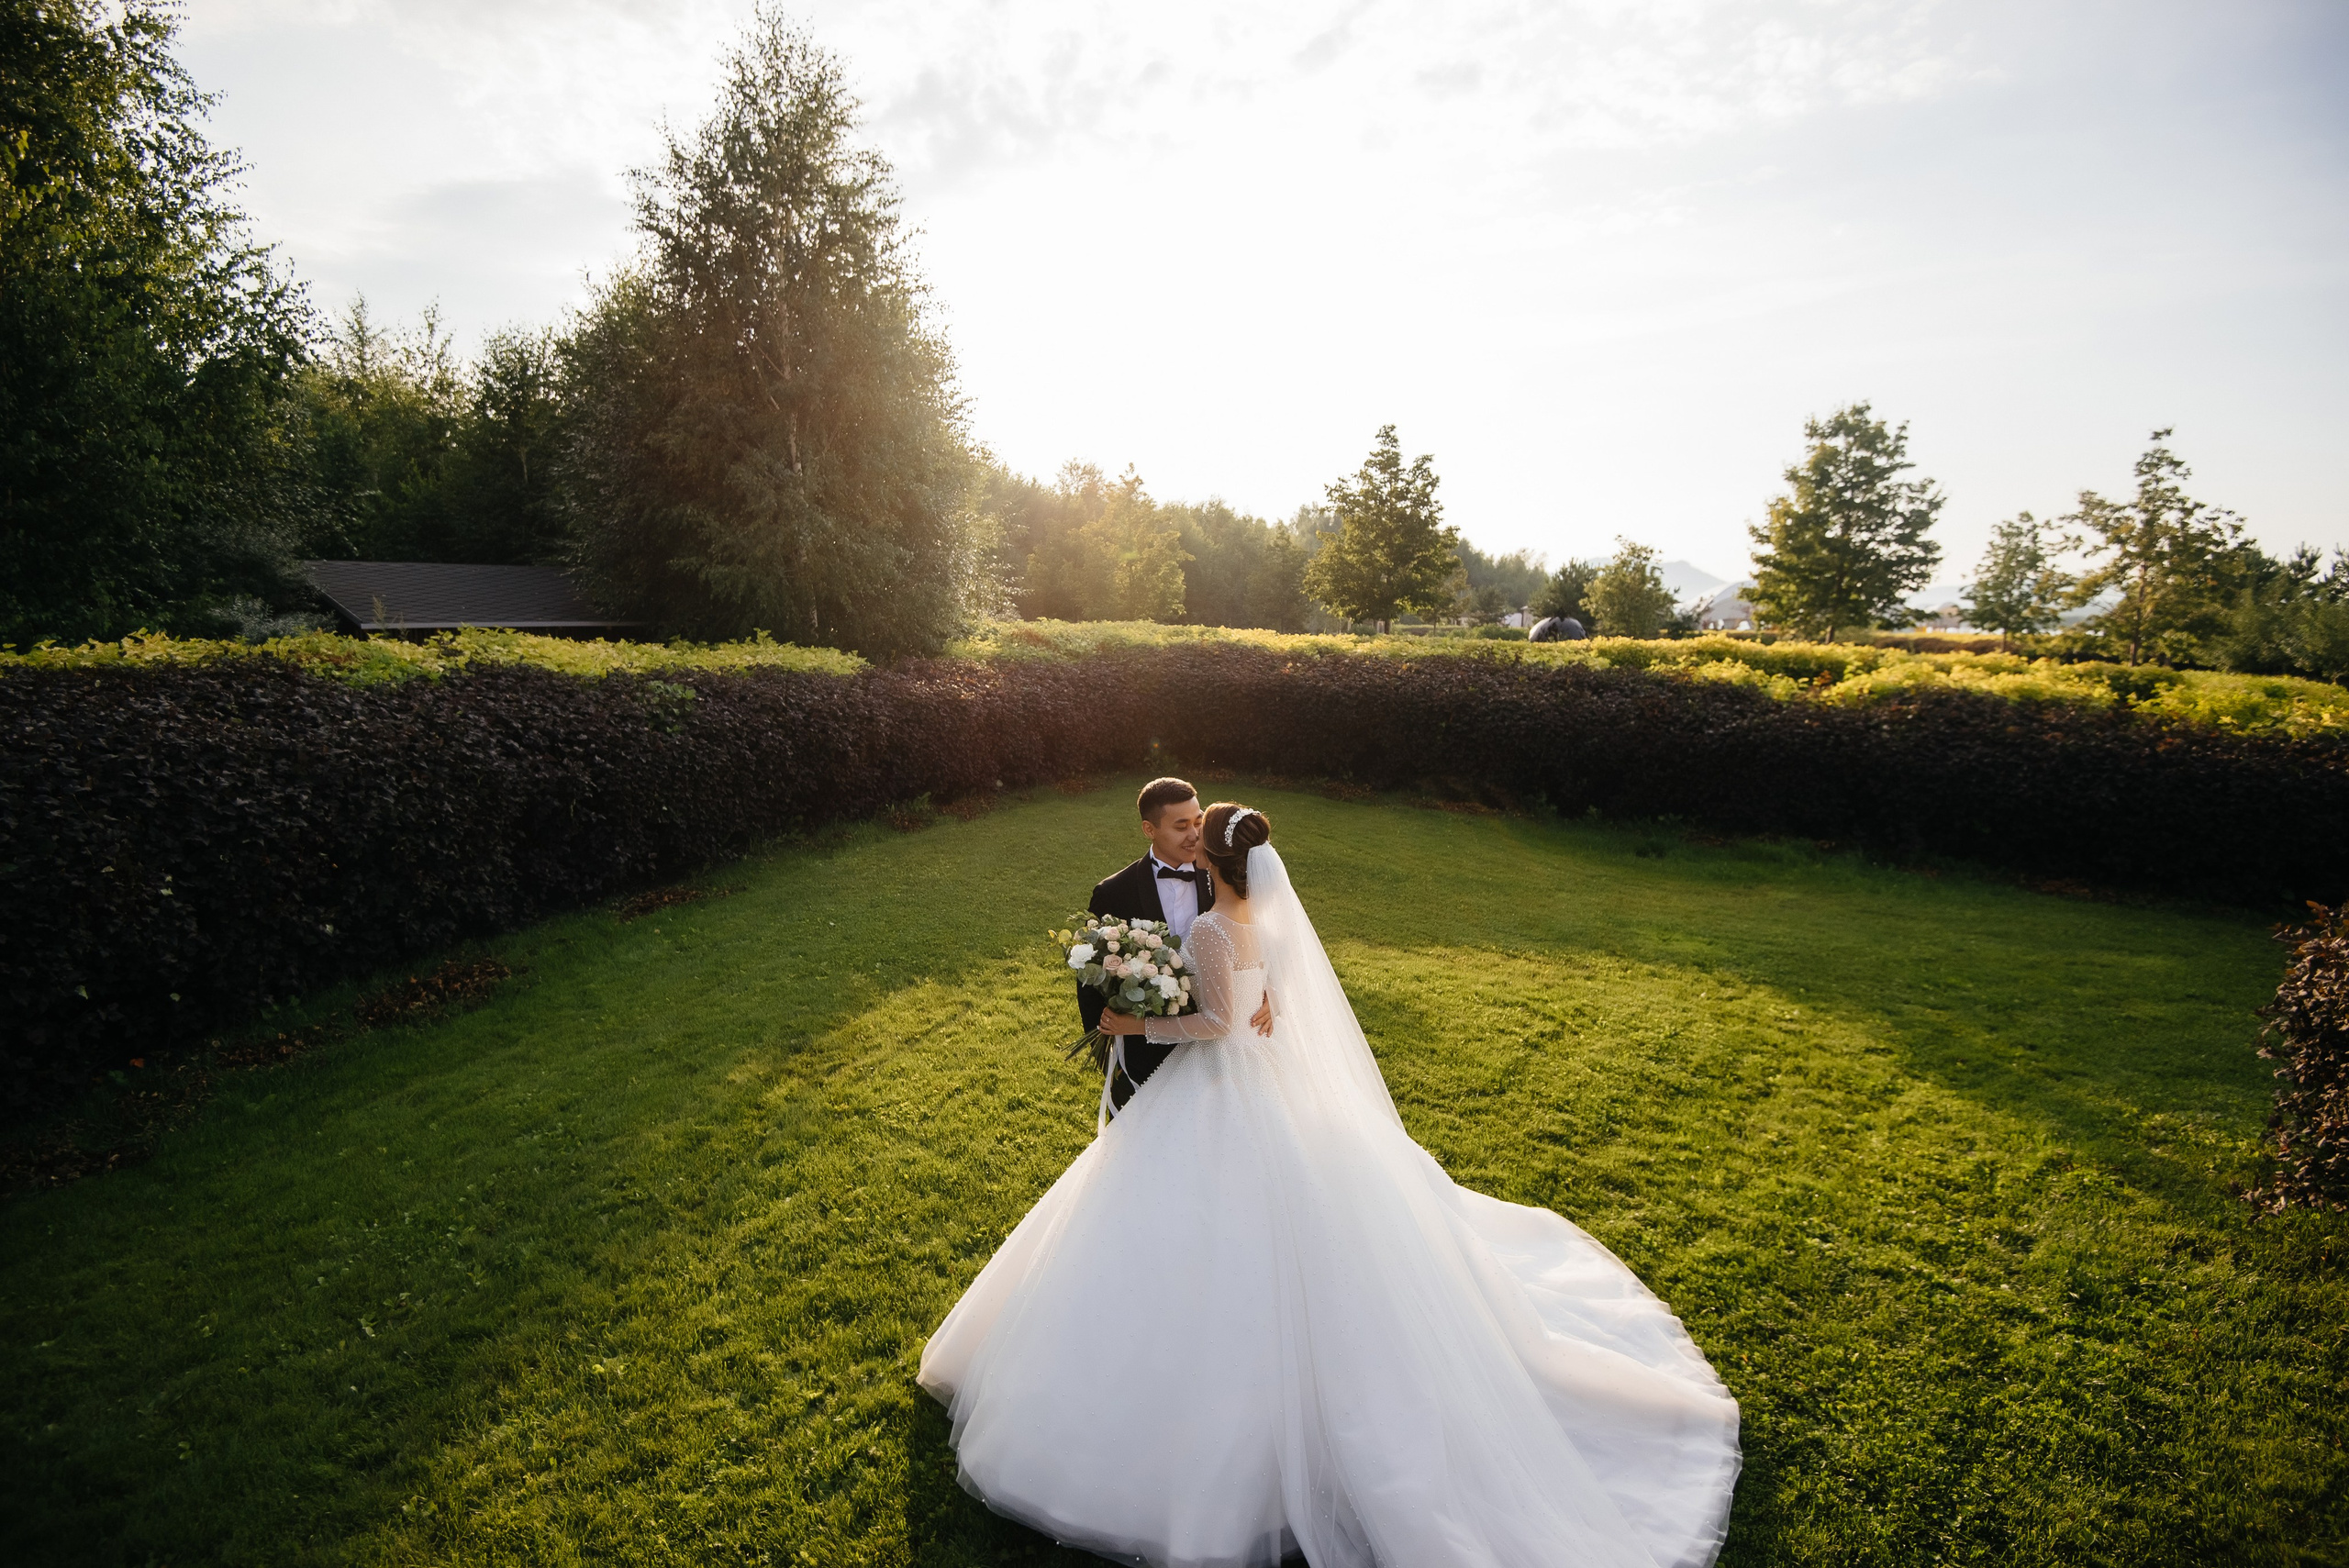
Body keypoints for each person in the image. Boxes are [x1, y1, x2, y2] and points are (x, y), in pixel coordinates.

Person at [921, 803, 1742, 1568]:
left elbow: (1216, 1024)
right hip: (1268, 1082)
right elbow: (1261, 998)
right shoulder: (1265, 918)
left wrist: (1132, 1020)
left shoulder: (1210, 925)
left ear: (1210, 856)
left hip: (1218, 1088)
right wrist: (1257, 997)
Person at [1082, 777, 1271, 1117]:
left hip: (1221, 1062)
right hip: (1145, 1059)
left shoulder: (1231, 874)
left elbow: (1269, 944)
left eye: (1199, 822)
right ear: (1149, 829)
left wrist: (1271, 993)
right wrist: (1113, 1047)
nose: (1195, 835)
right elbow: (1091, 979)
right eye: (1181, 826)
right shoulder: (1114, 893)